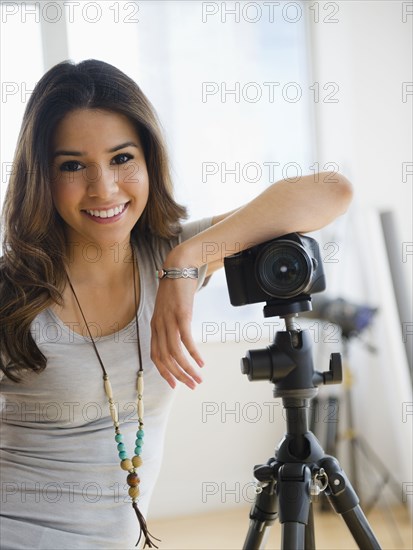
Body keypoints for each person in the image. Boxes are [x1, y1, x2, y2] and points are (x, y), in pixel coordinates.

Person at [0, 59, 353, 549]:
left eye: (122, 158)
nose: (103, 188)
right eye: (73, 165)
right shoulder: (11, 293)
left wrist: (188, 260)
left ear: (149, 161)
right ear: (42, 175)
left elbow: (332, 192)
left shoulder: (166, 258)